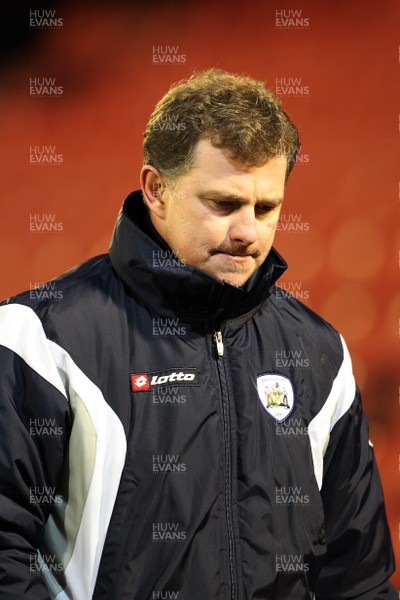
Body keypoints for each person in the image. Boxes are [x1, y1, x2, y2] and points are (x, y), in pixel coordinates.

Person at [0, 69, 396, 600]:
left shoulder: (320, 354)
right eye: (224, 204)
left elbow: (359, 580)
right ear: (156, 190)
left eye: (267, 207)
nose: (248, 232)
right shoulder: (40, 339)